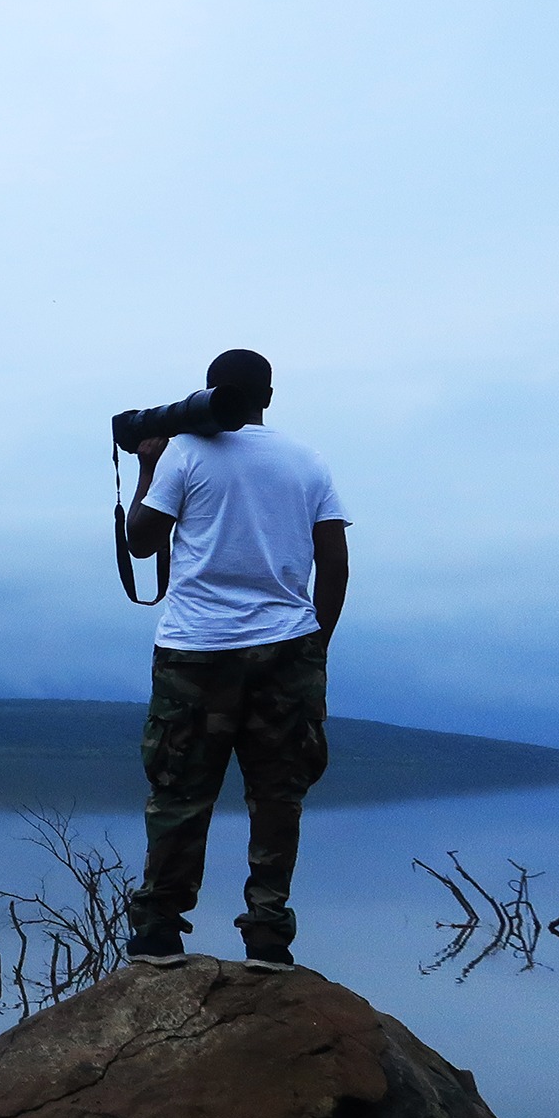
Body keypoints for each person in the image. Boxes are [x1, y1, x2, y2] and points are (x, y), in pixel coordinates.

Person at [120, 349, 350, 972]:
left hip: (195, 650)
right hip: (287, 648)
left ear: (206, 394)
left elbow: (142, 541)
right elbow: (334, 562)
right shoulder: (309, 461)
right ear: (267, 398)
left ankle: (160, 934)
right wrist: (313, 646)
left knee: (179, 793)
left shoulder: (185, 454)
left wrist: (147, 466)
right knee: (278, 796)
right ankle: (269, 937)